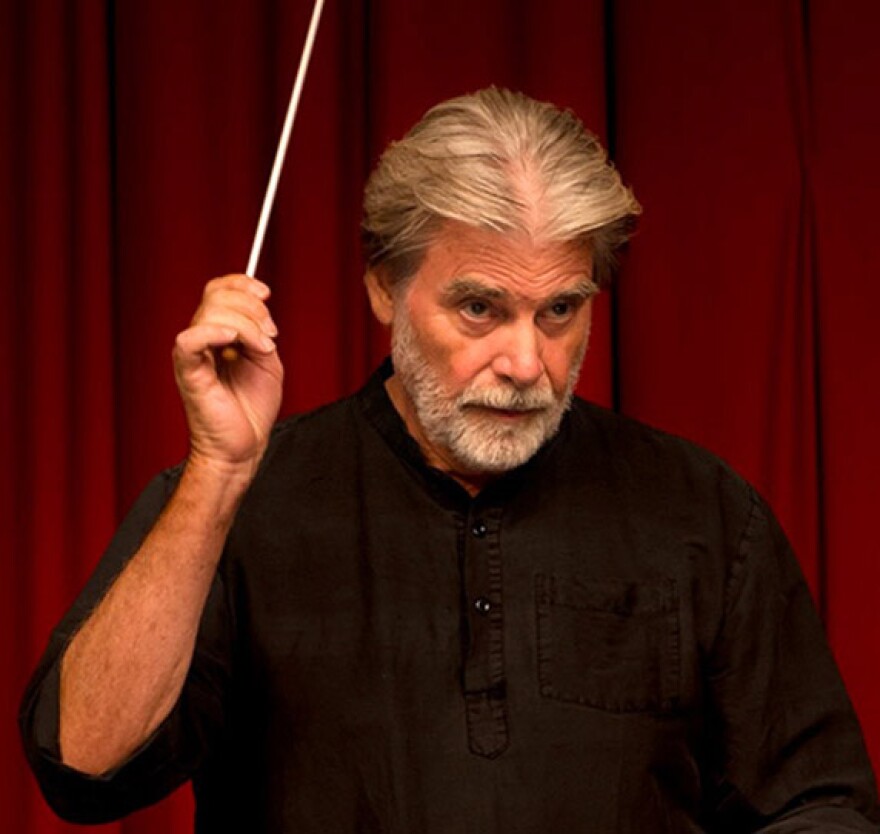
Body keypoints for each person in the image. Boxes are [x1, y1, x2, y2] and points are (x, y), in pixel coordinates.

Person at [20, 87, 879, 832]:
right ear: (384, 288)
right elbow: (83, 769)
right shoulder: (232, 500)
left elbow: (818, 806)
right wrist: (216, 472)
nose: (526, 362)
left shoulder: (704, 511)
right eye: (479, 308)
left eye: (561, 311)